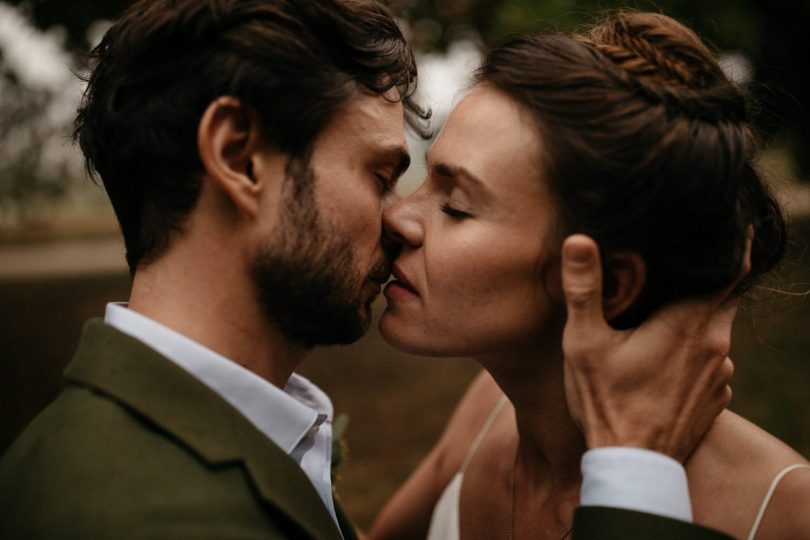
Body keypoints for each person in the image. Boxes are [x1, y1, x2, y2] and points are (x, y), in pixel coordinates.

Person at [0, 2, 739, 539]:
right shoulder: (141, 515)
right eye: (380, 173)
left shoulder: (235, 437)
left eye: (447, 196)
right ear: (238, 156)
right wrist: (638, 490)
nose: (399, 215)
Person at [370, 11, 810, 540]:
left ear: (610, 284)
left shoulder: (785, 514)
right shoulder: (489, 411)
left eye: (457, 205)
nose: (397, 216)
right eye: (427, 177)